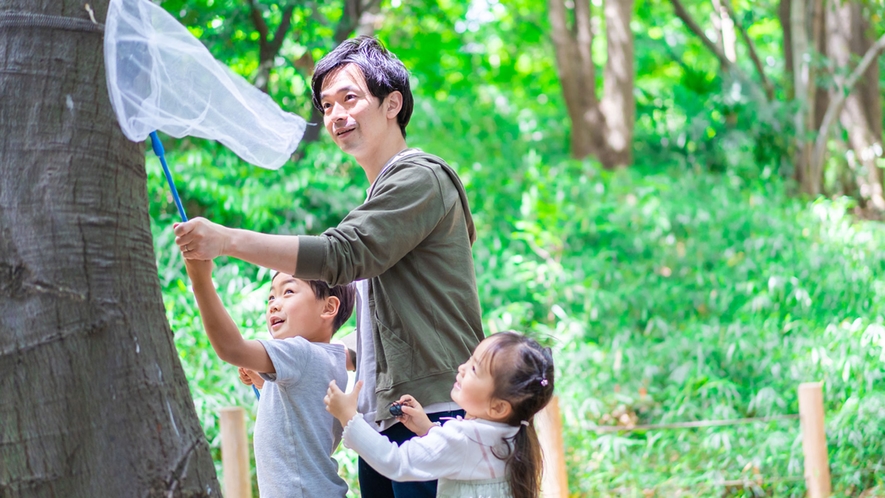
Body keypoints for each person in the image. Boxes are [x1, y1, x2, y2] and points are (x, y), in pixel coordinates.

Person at [173, 35, 484, 497]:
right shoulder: (378, 197)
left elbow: (340, 255)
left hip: (433, 413)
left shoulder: (419, 177)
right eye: (327, 105)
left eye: (350, 98)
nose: (336, 115)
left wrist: (225, 240)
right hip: (383, 420)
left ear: (392, 104)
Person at [183, 257, 356, 498]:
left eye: (288, 291)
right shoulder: (333, 358)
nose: (274, 304)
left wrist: (200, 280)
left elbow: (231, 348)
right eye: (271, 297)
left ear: (328, 307)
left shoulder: (299, 352)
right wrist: (263, 383)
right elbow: (299, 417)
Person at [324, 331, 555, 498]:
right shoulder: (512, 435)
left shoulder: (464, 438)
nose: (462, 368)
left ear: (498, 407)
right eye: (470, 359)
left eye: (475, 369)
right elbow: (467, 455)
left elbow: (396, 462)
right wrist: (428, 429)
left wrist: (349, 417)